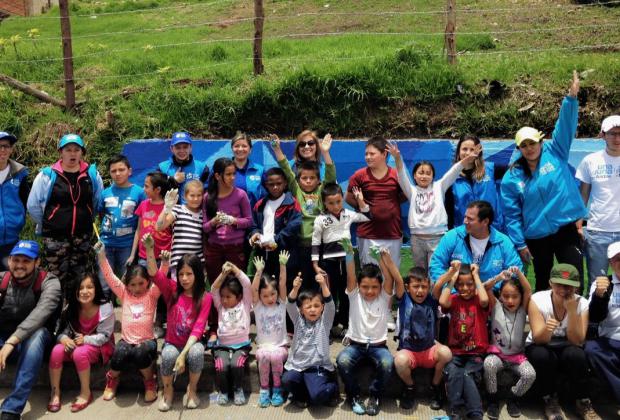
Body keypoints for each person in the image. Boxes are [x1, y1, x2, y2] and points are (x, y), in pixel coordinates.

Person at [501, 72, 586, 292]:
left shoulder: (556, 152)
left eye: (533, 143)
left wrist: (571, 98)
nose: (530, 148)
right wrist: (520, 243)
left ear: (541, 141)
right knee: (542, 283)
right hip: (536, 237)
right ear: (518, 148)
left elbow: (565, 126)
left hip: (565, 229)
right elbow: (511, 215)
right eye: (524, 145)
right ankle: (543, 325)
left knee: (573, 278)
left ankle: (576, 324)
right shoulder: (512, 177)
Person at [27, 134, 104, 297]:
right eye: (68, 150)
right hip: (55, 237)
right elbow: (33, 205)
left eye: (77, 150)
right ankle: (55, 316)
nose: (73, 153)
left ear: (82, 153)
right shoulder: (47, 175)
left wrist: (88, 217)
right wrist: (49, 223)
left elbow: (97, 201)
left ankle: (74, 314)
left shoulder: (92, 175)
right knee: (55, 279)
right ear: (60, 152)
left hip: (81, 236)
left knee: (79, 277)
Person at [387, 141, 478, 271]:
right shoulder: (411, 190)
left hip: (438, 237)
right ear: (414, 175)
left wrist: (466, 160)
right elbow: (401, 175)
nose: (424, 176)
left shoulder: (439, 186)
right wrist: (397, 158)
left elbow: (454, 171)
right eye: (421, 172)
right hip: (417, 239)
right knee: (420, 273)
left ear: (433, 176)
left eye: (428, 173)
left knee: (435, 272)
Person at [525, 263, 600, 420]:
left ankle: (583, 400)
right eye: (559, 284)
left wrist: (572, 311)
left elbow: (578, 340)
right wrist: (548, 329)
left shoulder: (582, 303)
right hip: (542, 345)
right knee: (540, 356)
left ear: (576, 287)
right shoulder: (537, 300)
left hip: (568, 346)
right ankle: (549, 399)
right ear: (551, 283)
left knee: (577, 355)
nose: (564, 290)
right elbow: (539, 339)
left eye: (569, 286)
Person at [94, 236, 160, 403]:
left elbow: (160, 278)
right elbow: (109, 276)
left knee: (140, 352)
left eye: (141, 283)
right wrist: (102, 256)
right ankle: (112, 379)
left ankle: (149, 381)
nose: (137, 288)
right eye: (132, 284)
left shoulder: (151, 294)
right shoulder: (124, 294)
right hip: (126, 340)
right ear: (127, 284)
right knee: (119, 352)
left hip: (147, 342)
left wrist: (164, 262)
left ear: (148, 282)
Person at [0, 240, 61, 420]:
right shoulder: (2, 280)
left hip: (35, 346)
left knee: (38, 334)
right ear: (9, 260)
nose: (19, 265)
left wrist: (12, 341)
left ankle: (12, 409)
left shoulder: (49, 282)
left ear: (37, 262)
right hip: (5, 341)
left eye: (26, 261)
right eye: (16, 260)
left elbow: (40, 314)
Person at [145, 248, 212, 411]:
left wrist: (183, 354)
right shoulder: (172, 290)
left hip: (191, 344)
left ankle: (192, 389)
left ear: (198, 274)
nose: (184, 278)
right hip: (172, 343)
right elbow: (154, 274)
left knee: (196, 353)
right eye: (181, 274)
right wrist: (149, 247)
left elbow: (198, 329)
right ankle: (168, 390)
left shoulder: (205, 297)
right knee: (167, 355)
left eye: (189, 274)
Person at [336, 243, 394, 416]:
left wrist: (380, 260)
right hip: (356, 345)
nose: (370, 291)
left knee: (387, 363)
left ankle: (375, 395)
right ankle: (353, 395)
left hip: (378, 346)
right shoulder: (354, 296)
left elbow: (388, 279)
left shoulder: (384, 297)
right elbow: (351, 275)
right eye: (365, 287)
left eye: (375, 287)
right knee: (342, 360)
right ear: (359, 286)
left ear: (380, 287)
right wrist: (349, 254)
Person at [270, 133, 336, 287]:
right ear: (298, 180)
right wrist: (276, 149)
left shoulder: (321, 191)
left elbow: (331, 177)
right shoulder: (296, 191)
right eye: (304, 178)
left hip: (320, 246)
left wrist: (325, 153)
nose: (307, 181)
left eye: (312, 178)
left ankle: (320, 309)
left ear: (318, 180)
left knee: (320, 282)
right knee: (301, 281)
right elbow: (286, 168)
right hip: (300, 246)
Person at [48, 274, 115, 413]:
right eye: (81, 288)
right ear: (76, 291)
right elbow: (61, 331)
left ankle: (86, 393)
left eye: (90, 287)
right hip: (77, 343)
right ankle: (55, 392)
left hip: (100, 346)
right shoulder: (71, 308)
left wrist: (86, 339)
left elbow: (105, 336)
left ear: (96, 289)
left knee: (79, 353)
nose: (85, 291)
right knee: (56, 350)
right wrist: (64, 339)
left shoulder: (105, 307)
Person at [433, 262, 489, 420]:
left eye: (469, 284)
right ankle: (455, 410)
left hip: (476, 352)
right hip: (456, 352)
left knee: (467, 374)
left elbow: (485, 300)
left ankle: (475, 413)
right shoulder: (454, 300)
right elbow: (443, 302)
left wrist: (476, 275)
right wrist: (453, 278)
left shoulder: (478, 299)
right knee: (453, 373)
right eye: (461, 285)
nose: (465, 288)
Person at [311, 183, 370, 334]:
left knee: (347, 292)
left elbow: (367, 216)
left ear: (342, 198)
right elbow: (316, 242)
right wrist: (316, 264)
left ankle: (345, 324)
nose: (335, 206)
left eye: (338, 201)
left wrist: (360, 200)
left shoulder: (348, 214)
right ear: (324, 202)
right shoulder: (320, 219)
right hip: (328, 262)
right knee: (329, 293)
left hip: (347, 260)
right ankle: (328, 327)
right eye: (331, 203)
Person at [392, 265, 451, 411]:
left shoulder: (431, 300)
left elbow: (438, 285)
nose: (420, 291)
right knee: (399, 361)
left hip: (429, 349)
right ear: (407, 287)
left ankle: (436, 385)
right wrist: (386, 259)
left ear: (428, 286)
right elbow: (397, 278)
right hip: (409, 351)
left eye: (424, 286)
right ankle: (410, 387)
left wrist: (452, 272)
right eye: (416, 286)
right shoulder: (403, 299)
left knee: (446, 353)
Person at [429, 200, 522, 291]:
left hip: (492, 294)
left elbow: (515, 272)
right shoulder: (452, 236)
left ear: (485, 222)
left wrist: (492, 288)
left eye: (470, 219)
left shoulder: (503, 242)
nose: (465, 221)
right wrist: (451, 289)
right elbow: (436, 265)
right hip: (458, 294)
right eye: (465, 217)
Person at [482, 267, 535, 419]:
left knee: (530, 374)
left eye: (515, 296)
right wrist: (499, 277)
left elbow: (528, 289)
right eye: (506, 296)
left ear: (520, 297)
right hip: (497, 355)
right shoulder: (496, 306)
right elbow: (486, 287)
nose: (510, 300)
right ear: (501, 296)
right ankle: (493, 400)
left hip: (517, 358)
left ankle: (513, 398)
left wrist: (519, 273)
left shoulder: (523, 309)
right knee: (489, 364)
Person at [346, 136, 406, 267]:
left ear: (384, 154)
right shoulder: (359, 175)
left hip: (393, 234)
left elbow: (405, 195)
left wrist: (390, 206)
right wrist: (363, 207)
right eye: (366, 154)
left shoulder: (397, 175)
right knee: (370, 277)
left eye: (372, 154)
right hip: (367, 235)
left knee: (392, 276)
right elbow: (349, 197)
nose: (368, 157)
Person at [576, 115, 620, 292]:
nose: (617, 138)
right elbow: (583, 195)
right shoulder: (590, 161)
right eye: (612, 133)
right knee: (597, 283)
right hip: (598, 231)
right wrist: (578, 225)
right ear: (602, 135)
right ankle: (594, 320)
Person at [282, 272, 338, 408]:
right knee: (287, 380)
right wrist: (295, 288)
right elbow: (289, 304)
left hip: (316, 367)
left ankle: (333, 388)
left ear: (322, 308)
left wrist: (323, 285)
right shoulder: (298, 320)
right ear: (301, 310)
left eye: (316, 306)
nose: (312, 310)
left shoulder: (325, 322)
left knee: (318, 397)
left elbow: (330, 305)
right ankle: (302, 396)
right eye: (308, 307)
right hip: (297, 365)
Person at [98, 154, 146, 297]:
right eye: (113, 171)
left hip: (127, 246)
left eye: (121, 169)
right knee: (104, 283)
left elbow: (141, 221)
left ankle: (130, 316)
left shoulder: (139, 192)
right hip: (106, 245)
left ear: (129, 171)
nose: (117, 174)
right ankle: (107, 315)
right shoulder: (105, 193)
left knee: (129, 283)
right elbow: (102, 214)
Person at [203, 157, 252, 284]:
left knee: (235, 285)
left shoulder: (241, 195)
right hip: (214, 248)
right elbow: (205, 227)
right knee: (215, 285)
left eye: (234, 174)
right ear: (218, 176)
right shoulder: (208, 197)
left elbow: (249, 221)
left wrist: (233, 220)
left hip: (235, 248)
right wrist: (214, 222)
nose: (233, 177)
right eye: (228, 174)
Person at [210, 261, 253, 406]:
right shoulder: (220, 307)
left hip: (241, 345)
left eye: (228, 297)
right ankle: (223, 391)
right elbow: (213, 289)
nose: (224, 299)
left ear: (239, 296)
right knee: (221, 365)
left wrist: (234, 269)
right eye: (222, 296)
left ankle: (238, 389)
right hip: (222, 346)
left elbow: (247, 284)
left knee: (236, 364)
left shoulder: (245, 304)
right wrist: (223, 275)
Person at [249, 167, 302, 281]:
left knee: (284, 286)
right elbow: (254, 226)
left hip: (285, 255)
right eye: (271, 184)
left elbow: (293, 227)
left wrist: (275, 240)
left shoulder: (292, 204)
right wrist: (255, 234)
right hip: (263, 254)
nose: (275, 187)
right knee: (266, 288)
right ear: (266, 185)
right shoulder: (260, 204)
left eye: (279, 183)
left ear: (285, 183)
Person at [585, 241, 620, 413]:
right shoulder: (602, 284)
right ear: (611, 263)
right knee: (592, 349)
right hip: (609, 339)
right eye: (617, 259)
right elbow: (595, 318)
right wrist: (600, 296)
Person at [251, 252, 289, 408]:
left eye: (272, 294)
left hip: (281, 347)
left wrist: (282, 265)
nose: (270, 298)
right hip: (263, 348)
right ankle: (265, 389)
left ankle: (278, 388)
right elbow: (253, 290)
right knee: (264, 356)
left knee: (275, 357)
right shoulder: (258, 306)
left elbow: (282, 283)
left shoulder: (281, 303)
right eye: (265, 295)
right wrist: (258, 272)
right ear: (260, 296)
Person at [446, 135, 505, 231]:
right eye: (464, 149)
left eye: (472, 149)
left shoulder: (490, 169)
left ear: (478, 152)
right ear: (458, 152)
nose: (468, 153)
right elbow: (449, 211)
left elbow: (515, 170)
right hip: (465, 232)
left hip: (492, 230)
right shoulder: (451, 178)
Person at [156, 181, 204, 275]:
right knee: (178, 289)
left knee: (197, 289)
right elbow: (159, 227)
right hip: (178, 263)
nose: (196, 198)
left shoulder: (203, 214)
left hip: (198, 263)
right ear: (185, 196)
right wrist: (166, 209)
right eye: (192, 195)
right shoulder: (178, 209)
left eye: (199, 195)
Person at [0, 132, 30, 272]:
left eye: (6, 146)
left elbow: (26, 202)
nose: (3, 150)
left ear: (11, 149)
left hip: (12, 239)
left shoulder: (20, 173)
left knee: (9, 278)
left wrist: (19, 221)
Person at [130, 171, 174, 266]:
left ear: (157, 189)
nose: (143, 189)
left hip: (163, 258)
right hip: (144, 257)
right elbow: (138, 230)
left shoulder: (169, 207)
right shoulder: (143, 204)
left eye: (146, 186)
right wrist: (132, 255)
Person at [157, 132, 209, 203]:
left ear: (190, 148)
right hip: (170, 211)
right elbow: (157, 191)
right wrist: (173, 181)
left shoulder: (202, 168)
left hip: (194, 211)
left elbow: (207, 192)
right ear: (172, 149)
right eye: (178, 147)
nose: (182, 151)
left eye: (185, 147)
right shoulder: (162, 167)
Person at [230, 132, 265, 208]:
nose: (240, 149)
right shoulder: (223, 168)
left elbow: (268, 195)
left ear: (250, 150)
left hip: (254, 217)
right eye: (236, 146)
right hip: (228, 216)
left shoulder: (260, 170)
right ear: (232, 149)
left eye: (244, 146)